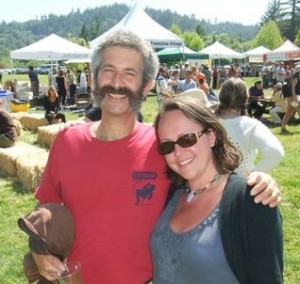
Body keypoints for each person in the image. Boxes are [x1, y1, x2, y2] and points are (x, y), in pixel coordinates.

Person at [30, 30, 281, 284]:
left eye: (130, 73)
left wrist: (256, 181)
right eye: (108, 70)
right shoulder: (65, 142)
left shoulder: (164, 147)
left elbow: (209, 182)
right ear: (94, 79)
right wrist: (38, 249)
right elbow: (45, 207)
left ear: (147, 85)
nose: (117, 82)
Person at [151, 96, 283, 283]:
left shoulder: (252, 200)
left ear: (211, 136)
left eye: (187, 139)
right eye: (167, 145)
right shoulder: (174, 192)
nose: (178, 153)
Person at [215, 77, 284, 176]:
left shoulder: (207, 121)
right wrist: (251, 176)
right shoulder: (250, 125)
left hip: (209, 184)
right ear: (246, 98)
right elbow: (276, 153)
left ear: (221, 97)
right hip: (240, 185)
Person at [281, 64, 300, 134]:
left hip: (290, 98)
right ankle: (283, 127)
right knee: (299, 111)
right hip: (292, 98)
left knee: (289, 112)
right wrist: (295, 100)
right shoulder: (295, 78)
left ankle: (283, 127)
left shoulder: (295, 77)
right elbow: (293, 90)